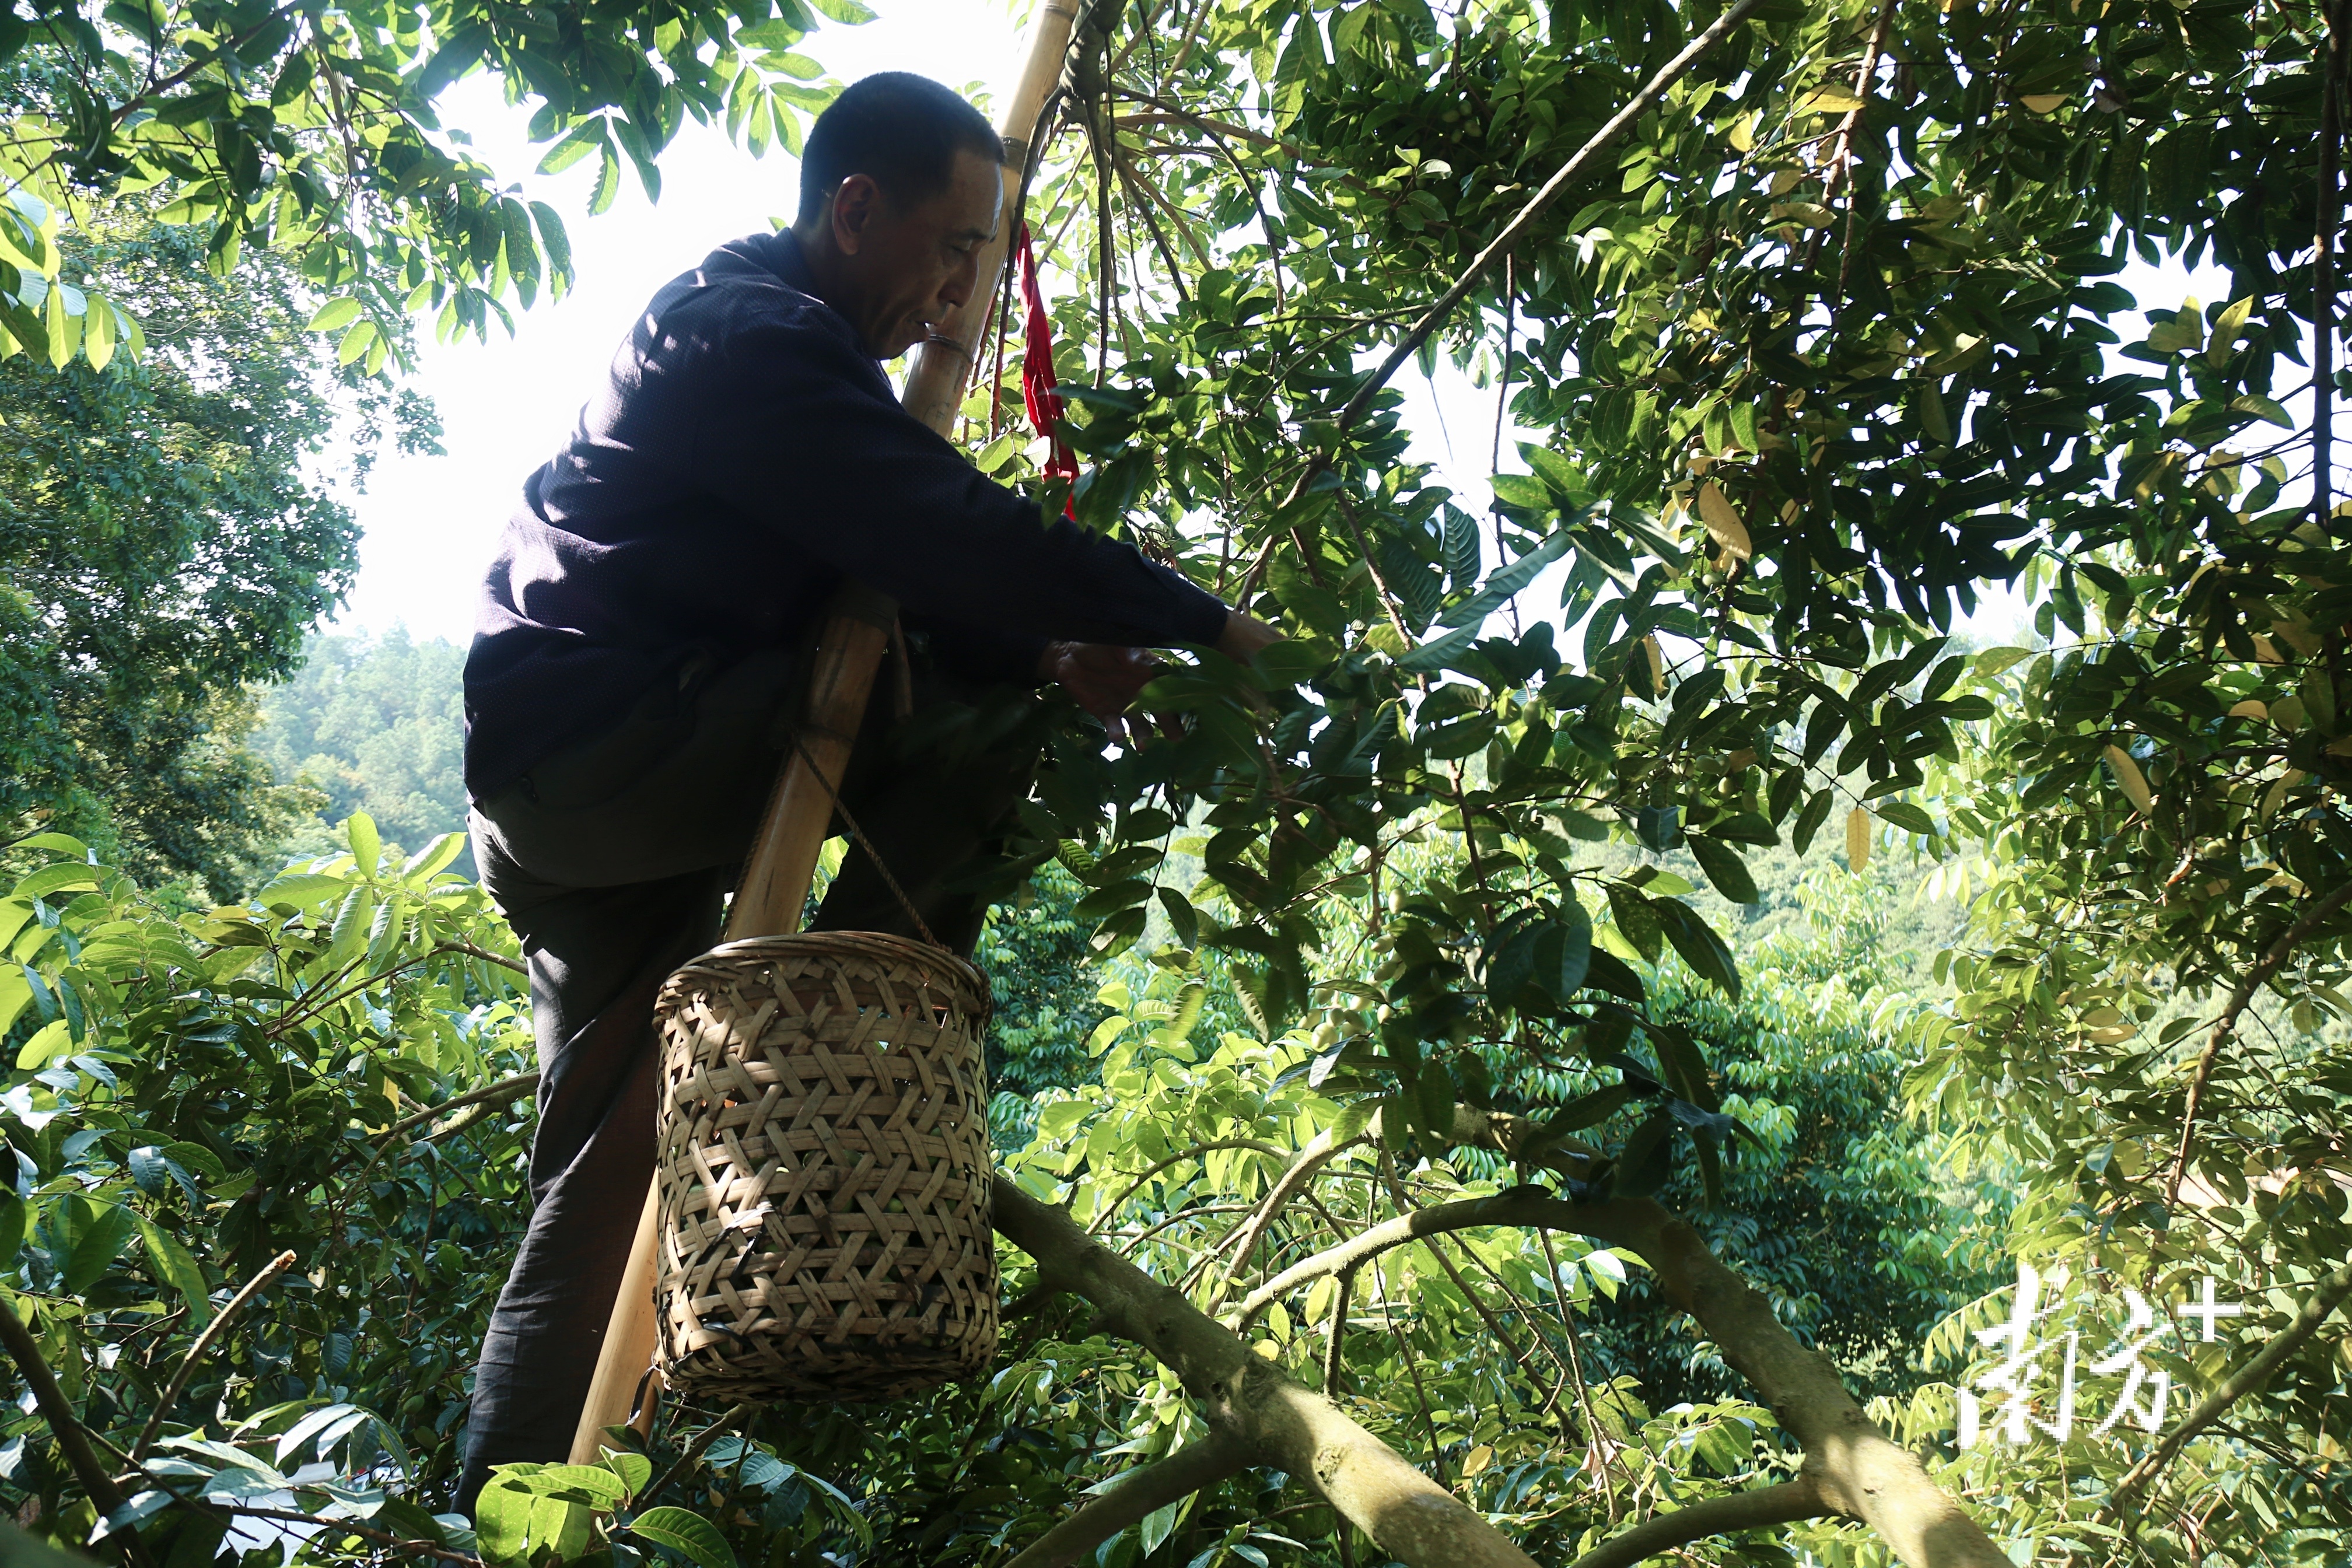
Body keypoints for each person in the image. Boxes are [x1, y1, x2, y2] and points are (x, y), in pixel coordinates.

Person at [453, 71, 1277, 1511]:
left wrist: (1045, 638)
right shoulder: (750, 340)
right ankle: (872, 1037)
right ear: (855, 212)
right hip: (608, 751)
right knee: (955, 700)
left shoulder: (767, 342)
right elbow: (933, 527)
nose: (960, 288)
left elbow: (874, 548)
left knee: (605, 1174)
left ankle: (506, 1515)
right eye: (954, 246)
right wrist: (1198, 618)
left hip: (561, 799)